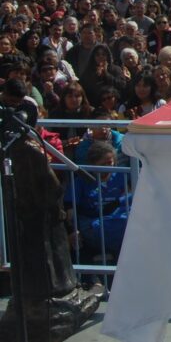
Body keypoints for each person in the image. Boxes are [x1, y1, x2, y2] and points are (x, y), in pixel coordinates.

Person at [0, 79, 102, 341]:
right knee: (45, 261)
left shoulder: (25, 148)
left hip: (31, 214)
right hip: (35, 214)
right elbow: (50, 186)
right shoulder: (25, 150)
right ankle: (48, 304)